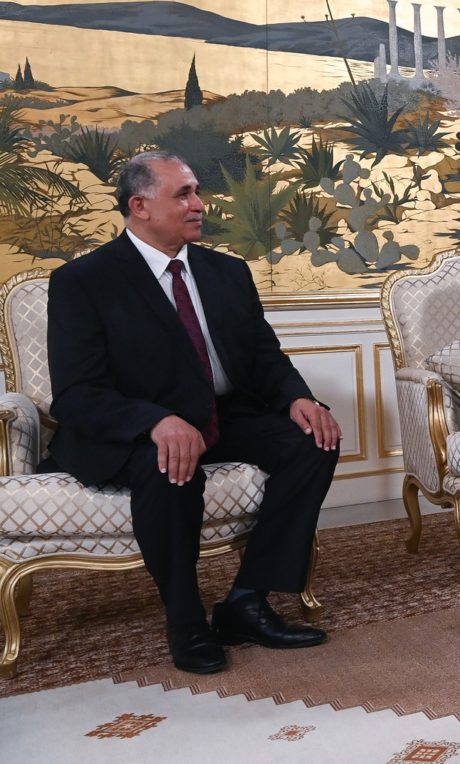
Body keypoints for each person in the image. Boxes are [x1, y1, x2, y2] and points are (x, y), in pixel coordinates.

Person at [47, 151, 341, 674]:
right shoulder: (85, 281)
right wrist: (154, 422)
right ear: (139, 206)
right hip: (137, 428)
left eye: (197, 191)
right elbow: (76, 393)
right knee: (170, 466)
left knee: (314, 440)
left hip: (223, 415)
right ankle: (185, 621)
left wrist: (297, 397)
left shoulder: (226, 271)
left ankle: (246, 600)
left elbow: (264, 356)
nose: (199, 204)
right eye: (183, 194)